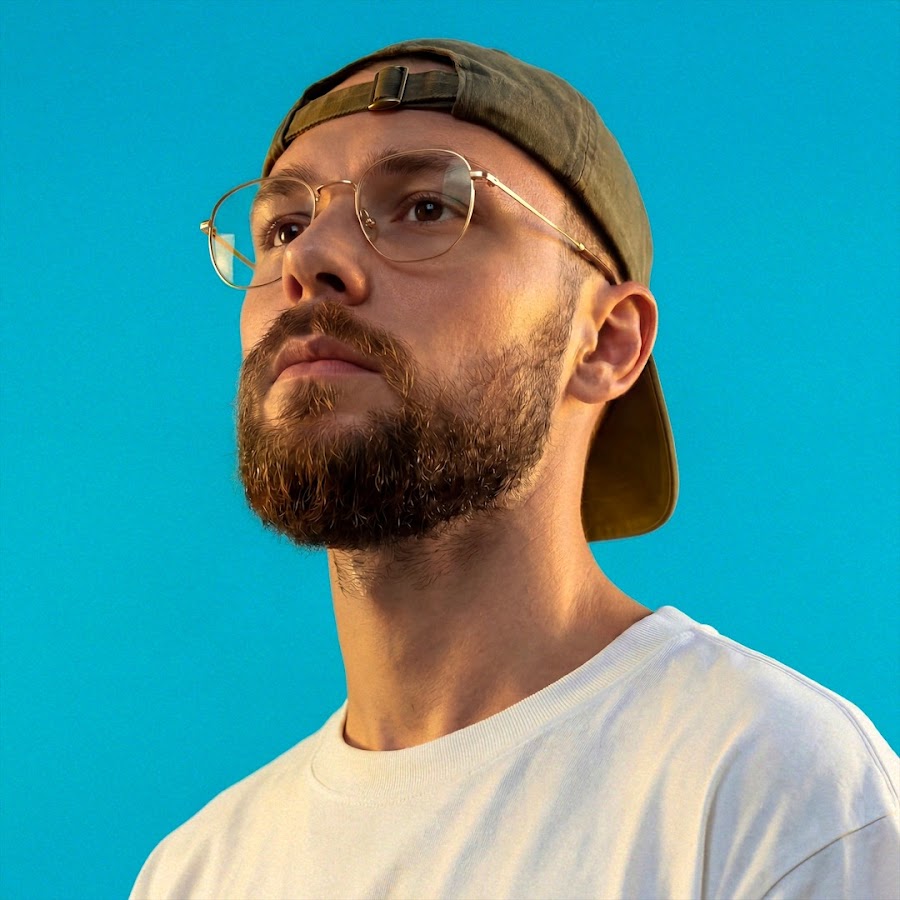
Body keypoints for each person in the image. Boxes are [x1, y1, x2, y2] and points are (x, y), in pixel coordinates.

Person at [131, 39, 899, 899]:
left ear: (606, 343)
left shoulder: (780, 796)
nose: (309, 261)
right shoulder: (195, 872)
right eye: (283, 227)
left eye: (426, 207)